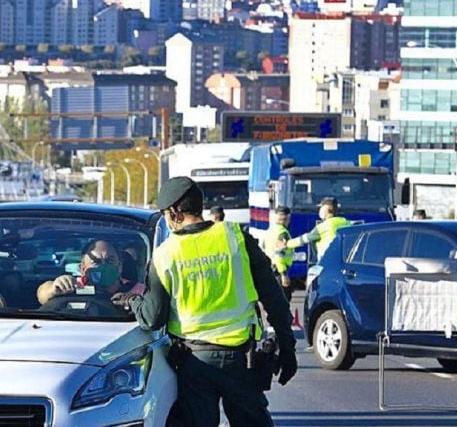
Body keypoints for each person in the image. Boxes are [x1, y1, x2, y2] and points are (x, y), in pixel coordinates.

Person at [128, 177, 297, 427]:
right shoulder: (236, 237)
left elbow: (152, 318)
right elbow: (274, 298)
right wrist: (288, 346)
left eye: (165, 214)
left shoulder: (165, 254)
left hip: (194, 364)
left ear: (174, 212)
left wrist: (132, 300)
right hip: (242, 361)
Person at [36, 239, 144, 305]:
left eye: (110, 261)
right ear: (82, 268)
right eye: (96, 262)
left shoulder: (139, 291)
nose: (103, 266)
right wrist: (53, 288)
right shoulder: (72, 286)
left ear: (120, 266)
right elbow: (42, 294)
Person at [286, 197, 352, 262]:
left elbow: (305, 238)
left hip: (327, 262)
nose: (319, 210)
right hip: (345, 263)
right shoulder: (346, 223)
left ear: (326, 209)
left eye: (321, 208)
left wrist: (287, 244)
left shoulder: (323, 227)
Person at [265, 207, 294, 302]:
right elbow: (279, 254)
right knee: (284, 299)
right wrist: (283, 274)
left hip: (271, 267)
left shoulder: (271, 230)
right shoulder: (283, 233)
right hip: (279, 269)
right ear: (287, 219)